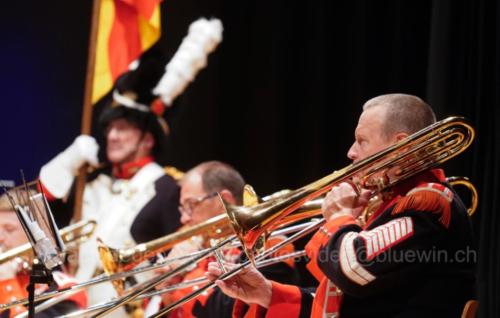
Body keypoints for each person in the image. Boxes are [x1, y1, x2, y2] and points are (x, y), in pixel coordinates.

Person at [207, 94, 476, 317]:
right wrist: (267, 292)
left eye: (362, 141)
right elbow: (346, 304)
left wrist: (340, 218)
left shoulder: (427, 202)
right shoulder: (391, 202)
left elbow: (355, 270)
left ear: (400, 145)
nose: (351, 152)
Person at [39, 57, 181, 315]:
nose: (111, 136)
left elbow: (176, 263)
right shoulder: (93, 179)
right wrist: (68, 161)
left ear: (148, 139)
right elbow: (36, 206)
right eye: (110, 128)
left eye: (123, 128)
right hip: (74, 307)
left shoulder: (167, 188)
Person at [146, 161, 299, 318]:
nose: (184, 218)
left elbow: (226, 309)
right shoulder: (199, 246)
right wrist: (168, 288)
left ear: (223, 201)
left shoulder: (271, 243)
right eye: (183, 208)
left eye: (191, 205)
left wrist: (186, 277)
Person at [0, 193, 87, 318]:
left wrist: (7, 285)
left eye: (9, 229)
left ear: (37, 234)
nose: (0, 238)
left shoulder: (65, 289)